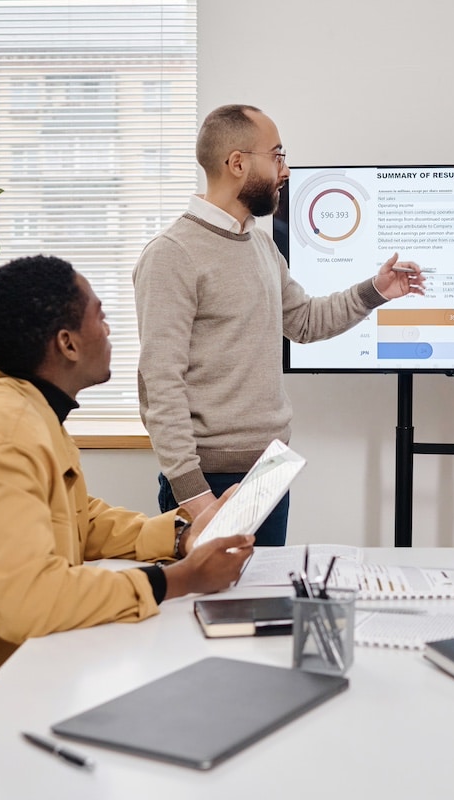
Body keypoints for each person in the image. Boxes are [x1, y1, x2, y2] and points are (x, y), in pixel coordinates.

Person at [0, 255, 254, 729]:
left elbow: (81, 520)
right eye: (100, 315)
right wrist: (182, 579)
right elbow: (29, 603)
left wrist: (182, 535)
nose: (109, 329)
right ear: (67, 344)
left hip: (30, 661)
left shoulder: (26, 410)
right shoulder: (1, 436)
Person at [133, 103, 426, 546]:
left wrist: (377, 290)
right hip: (209, 481)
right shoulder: (172, 253)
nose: (285, 170)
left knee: (262, 609)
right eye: (278, 155)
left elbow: (305, 321)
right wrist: (197, 500)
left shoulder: (258, 245)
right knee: (214, 612)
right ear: (237, 163)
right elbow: (160, 384)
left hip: (268, 470)